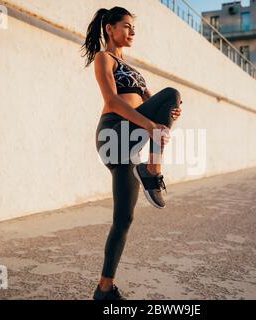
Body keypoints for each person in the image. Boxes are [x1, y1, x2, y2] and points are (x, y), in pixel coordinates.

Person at [80, 6, 182, 300]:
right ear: (110, 29)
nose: (132, 31)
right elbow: (111, 101)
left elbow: (157, 107)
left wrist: (170, 113)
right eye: (126, 26)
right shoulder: (105, 58)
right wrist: (151, 125)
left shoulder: (134, 71)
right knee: (170, 95)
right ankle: (152, 170)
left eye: (134, 27)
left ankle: (104, 288)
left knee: (124, 219)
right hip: (113, 132)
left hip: (131, 136)